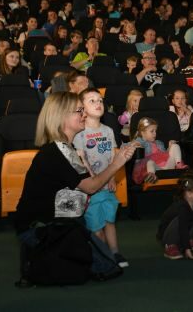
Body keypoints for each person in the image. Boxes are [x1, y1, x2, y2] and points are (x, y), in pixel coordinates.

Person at [14, 92, 135, 280]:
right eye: (79, 111)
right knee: (105, 267)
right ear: (61, 116)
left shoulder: (65, 149)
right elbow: (91, 187)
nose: (84, 115)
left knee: (106, 265)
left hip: (58, 223)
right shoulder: (57, 152)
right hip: (39, 229)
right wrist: (117, 163)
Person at [73, 89, 128, 268]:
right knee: (96, 227)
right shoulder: (79, 133)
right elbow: (83, 161)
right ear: (82, 108)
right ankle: (102, 256)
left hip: (107, 185)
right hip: (92, 188)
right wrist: (96, 180)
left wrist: (111, 177)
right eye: (92, 101)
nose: (98, 104)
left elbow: (113, 158)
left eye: (100, 100)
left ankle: (115, 253)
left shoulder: (108, 131)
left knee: (109, 221)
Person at [157, 173, 193, 260]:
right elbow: (182, 228)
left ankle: (186, 241)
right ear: (189, 194)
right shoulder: (181, 207)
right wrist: (187, 250)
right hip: (167, 236)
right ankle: (171, 246)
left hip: (183, 232)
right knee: (179, 220)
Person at [130, 117, 188, 185]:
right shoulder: (141, 142)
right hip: (155, 169)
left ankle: (179, 165)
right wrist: (134, 145)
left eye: (155, 131)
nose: (155, 133)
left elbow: (165, 155)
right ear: (142, 133)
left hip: (167, 166)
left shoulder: (159, 143)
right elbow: (133, 145)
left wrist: (169, 147)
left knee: (175, 146)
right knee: (150, 162)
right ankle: (151, 176)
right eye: (152, 131)